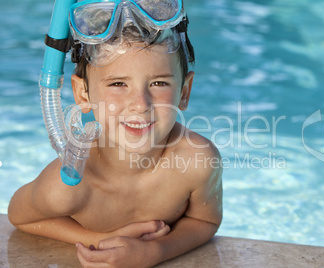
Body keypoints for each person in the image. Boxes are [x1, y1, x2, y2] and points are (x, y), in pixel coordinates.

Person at [8, 0, 222, 267]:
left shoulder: (198, 161)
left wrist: (155, 252)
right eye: (118, 83)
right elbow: (22, 216)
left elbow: (205, 220)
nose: (141, 104)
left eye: (158, 83)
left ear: (185, 91)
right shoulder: (73, 181)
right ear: (83, 94)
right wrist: (98, 239)